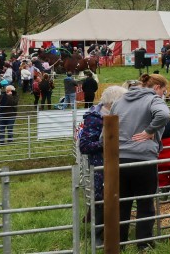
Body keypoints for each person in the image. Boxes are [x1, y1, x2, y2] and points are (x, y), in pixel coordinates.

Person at [110, 73, 170, 249]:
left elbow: (107, 127)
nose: (164, 94)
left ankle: (119, 244)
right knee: (145, 203)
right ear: (156, 88)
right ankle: (144, 244)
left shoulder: (120, 101)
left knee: (122, 203)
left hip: (119, 158)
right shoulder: (153, 99)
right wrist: (148, 131)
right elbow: (164, 114)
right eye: (163, 90)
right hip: (143, 158)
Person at [77, 86, 126, 245]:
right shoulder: (94, 117)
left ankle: (114, 232)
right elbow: (84, 146)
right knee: (100, 199)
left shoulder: (118, 115)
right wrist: (106, 142)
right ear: (113, 102)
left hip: (116, 163)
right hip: (100, 166)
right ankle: (97, 236)